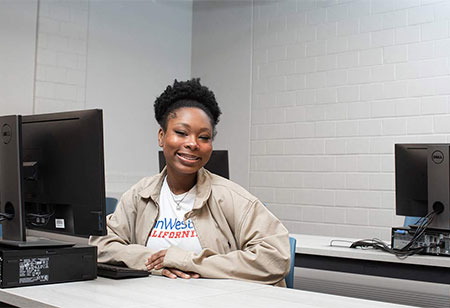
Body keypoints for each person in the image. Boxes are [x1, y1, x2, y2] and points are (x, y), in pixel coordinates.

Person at [89, 79, 290, 286]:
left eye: (204, 137)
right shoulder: (140, 194)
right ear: (161, 136)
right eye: (181, 133)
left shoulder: (231, 197)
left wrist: (187, 261)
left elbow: (275, 258)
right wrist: (153, 261)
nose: (193, 143)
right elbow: (102, 245)